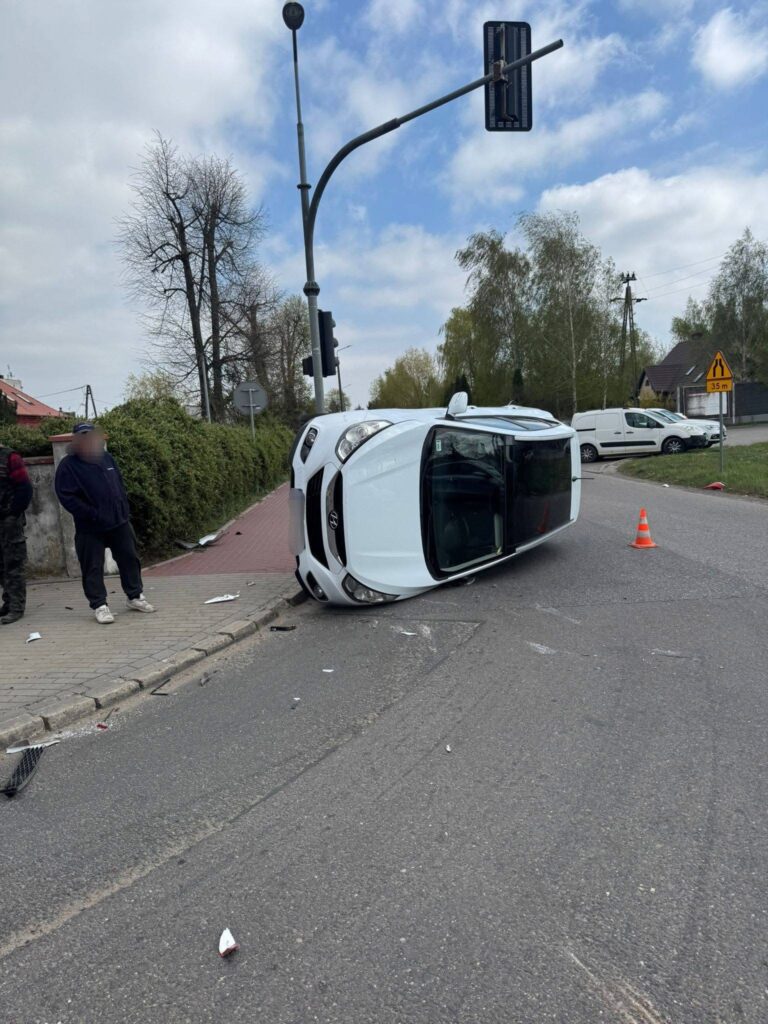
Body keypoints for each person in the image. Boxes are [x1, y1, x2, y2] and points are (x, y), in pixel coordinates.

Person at [54, 423, 155, 624]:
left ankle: (135, 596)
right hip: (90, 526)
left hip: (119, 521)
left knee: (129, 559)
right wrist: (91, 513)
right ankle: (99, 605)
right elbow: (66, 496)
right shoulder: (68, 465)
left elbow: (118, 483)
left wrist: (123, 509)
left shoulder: (107, 458)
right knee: (92, 566)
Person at [0, 444, 33, 625]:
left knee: (13, 564)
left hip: (9, 521)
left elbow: (25, 489)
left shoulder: (10, 458)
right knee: (1, 567)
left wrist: (13, 514)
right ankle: (8, 602)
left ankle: (16, 607)